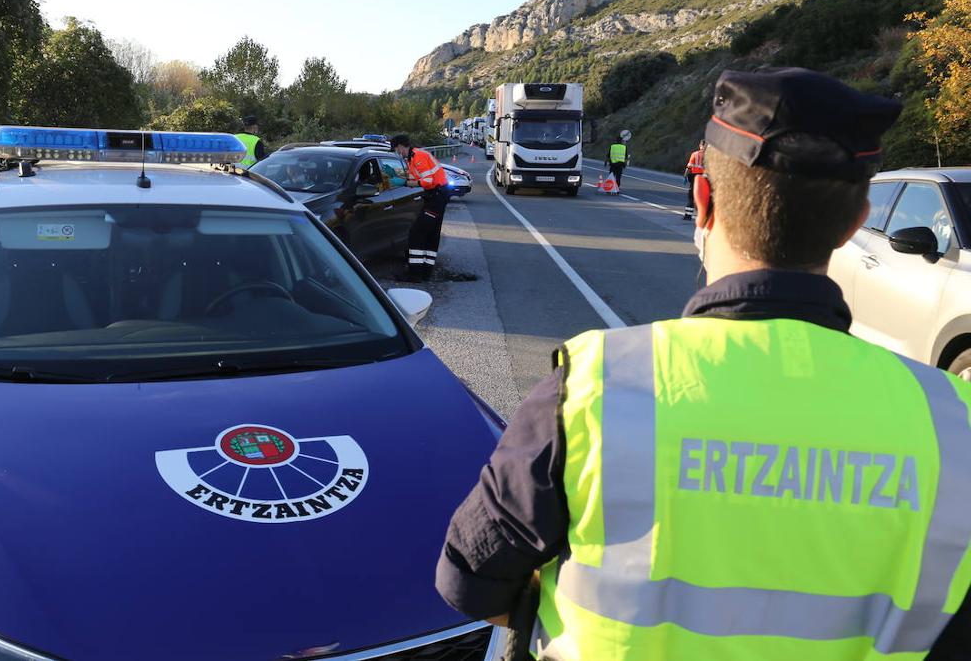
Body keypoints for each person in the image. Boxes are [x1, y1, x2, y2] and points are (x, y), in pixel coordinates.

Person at [435, 67, 971, 660]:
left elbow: (468, 582)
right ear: (854, 223)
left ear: (702, 200)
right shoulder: (953, 422)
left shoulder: (594, 385)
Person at [392, 134, 450, 282]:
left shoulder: (418, 156)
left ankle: (415, 274)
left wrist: (404, 183)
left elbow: (427, 181)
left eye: (396, 149)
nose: (397, 152)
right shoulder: (412, 159)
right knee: (431, 234)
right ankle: (426, 272)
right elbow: (414, 179)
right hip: (437, 195)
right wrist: (399, 178)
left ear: (400, 146)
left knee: (417, 233)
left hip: (437, 196)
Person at [683, 139, 707, 220]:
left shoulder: (695, 154)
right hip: (704, 177)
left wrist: (685, 176)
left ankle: (688, 216)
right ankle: (703, 217)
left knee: (691, 196)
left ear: (700, 145)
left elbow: (689, 167)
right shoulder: (710, 156)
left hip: (694, 177)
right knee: (703, 197)